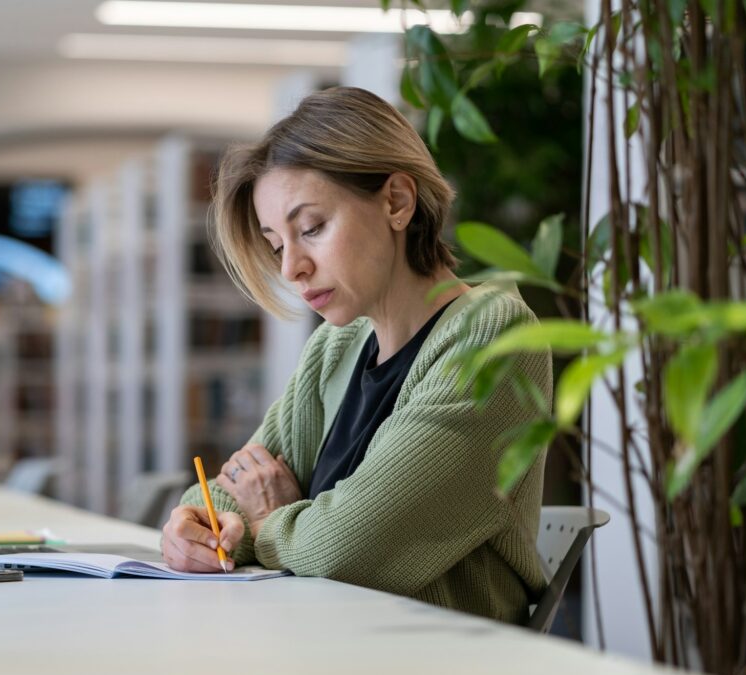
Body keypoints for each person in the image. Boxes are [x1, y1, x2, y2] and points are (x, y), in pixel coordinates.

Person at [160, 87, 553, 624]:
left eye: (312, 229)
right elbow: (230, 492)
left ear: (396, 201)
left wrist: (268, 519)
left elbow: (342, 551)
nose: (291, 268)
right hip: (325, 646)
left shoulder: (490, 338)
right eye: (278, 244)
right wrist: (196, 527)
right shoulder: (336, 345)